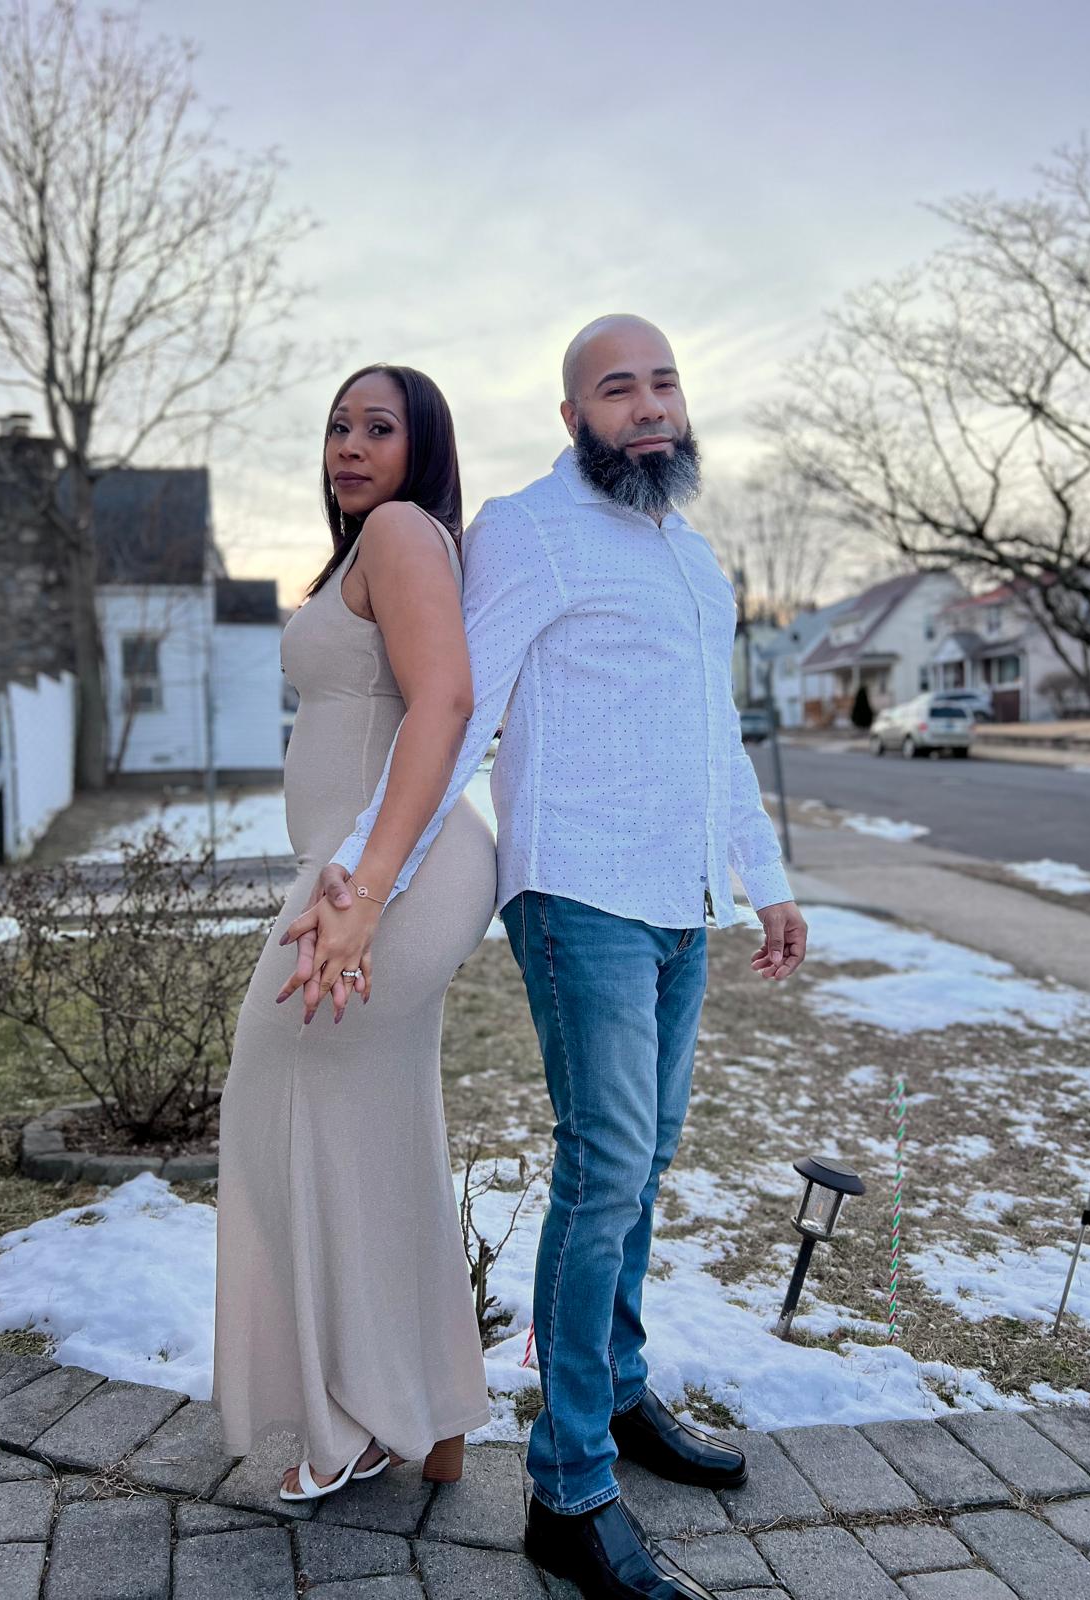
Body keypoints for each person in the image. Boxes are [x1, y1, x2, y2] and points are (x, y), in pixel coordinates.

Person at [291, 315, 808, 1599]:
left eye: (664, 383)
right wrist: (362, 874)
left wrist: (769, 882)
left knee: (648, 1160)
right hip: (578, 894)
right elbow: (454, 712)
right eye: (617, 389)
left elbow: (717, 735)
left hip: (681, 900)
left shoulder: (694, 561)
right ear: (575, 417)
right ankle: (567, 1488)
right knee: (605, 1168)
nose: (649, 405)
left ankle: (617, 1394)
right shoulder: (529, 529)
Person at [210, 364, 497, 1503]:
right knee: (375, 1135)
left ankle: (361, 1416)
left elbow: (447, 702)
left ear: (422, 448)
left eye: (379, 427)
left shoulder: (398, 531)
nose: (349, 445)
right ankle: (423, 1409)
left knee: (276, 1110)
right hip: (364, 871)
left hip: (386, 876)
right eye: (338, 425)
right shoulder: (367, 550)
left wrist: (367, 891)